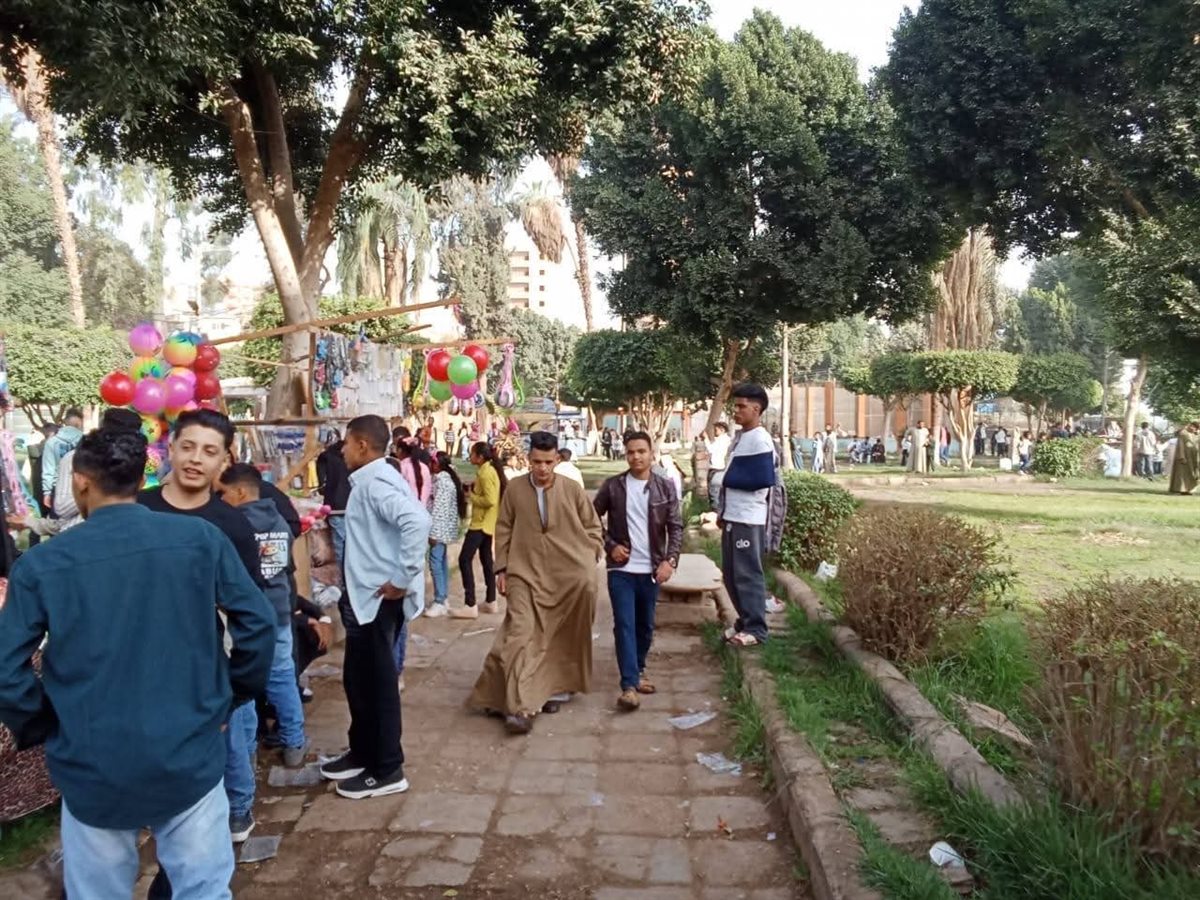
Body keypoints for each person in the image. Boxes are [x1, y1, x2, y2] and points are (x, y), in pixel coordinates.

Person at [0, 426, 275, 899]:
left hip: (92, 759)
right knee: (203, 890)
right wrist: (231, 696)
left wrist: (43, 724)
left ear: (80, 482)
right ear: (137, 478)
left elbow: (7, 668)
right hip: (188, 748)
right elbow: (258, 623)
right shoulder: (199, 539)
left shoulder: (43, 564)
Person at [138, 409, 269, 849]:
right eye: (188, 447)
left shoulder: (230, 525)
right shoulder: (137, 510)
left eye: (209, 451)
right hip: (134, 667)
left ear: (223, 461)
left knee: (199, 798)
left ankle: (228, 817)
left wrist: (233, 693)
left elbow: (252, 610)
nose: (196, 459)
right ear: (171, 448)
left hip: (198, 672)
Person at [320, 415, 430, 800]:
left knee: (378, 685)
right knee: (358, 680)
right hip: (367, 599)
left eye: (347, 443)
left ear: (362, 445)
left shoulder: (376, 483)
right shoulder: (370, 480)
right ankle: (362, 752)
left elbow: (417, 521)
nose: (343, 450)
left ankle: (387, 768)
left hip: (380, 600)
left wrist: (402, 578)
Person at [468, 432, 603, 734]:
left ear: (557, 460)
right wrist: (502, 569)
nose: (542, 468)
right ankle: (519, 706)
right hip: (523, 573)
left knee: (558, 632)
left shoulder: (571, 489)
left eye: (548, 462)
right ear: (528, 459)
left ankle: (550, 690)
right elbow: (504, 528)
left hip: (565, 576)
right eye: (537, 462)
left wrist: (588, 556)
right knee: (520, 632)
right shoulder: (515, 489)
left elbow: (593, 528)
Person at [219, 464, 308, 768]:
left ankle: (248, 753)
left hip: (248, 616)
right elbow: (284, 567)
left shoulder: (235, 526)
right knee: (282, 678)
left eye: (223, 493)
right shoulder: (280, 521)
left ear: (240, 492)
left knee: (243, 686)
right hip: (279, 610)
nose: (221, 500)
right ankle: (295, 742)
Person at [593, 432, 682, 711]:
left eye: (641, 451)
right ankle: (629, 686)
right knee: (624, 624)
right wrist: (610, 546)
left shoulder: (665, 487)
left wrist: (670, 561)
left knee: (645, 625)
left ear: (651, 453)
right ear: (625, 454)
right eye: (631, 452)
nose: (636, 457)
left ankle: (639, 669)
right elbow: (591, 518)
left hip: (651, 569)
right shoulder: (613, 486)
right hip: (621, 569)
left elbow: (675, 527)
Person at [10, 410, 142, 539]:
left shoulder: (76, 458)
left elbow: (62, 509)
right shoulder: (135, 462)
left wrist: (93, 491)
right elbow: (62, 516)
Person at [718, 384, 776, 648]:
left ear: (756, 409)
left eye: (742, 406)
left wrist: (726, 478)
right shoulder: (742, 438)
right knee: (731, 574)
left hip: (748, 519)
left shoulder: (760, 439)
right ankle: (744, 620)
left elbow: (762, 478)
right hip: (733, 516)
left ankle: (757, 629)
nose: (736, 411)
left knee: (747, 573)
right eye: (736, 406)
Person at [453, 442, 506, 620]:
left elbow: (490, 500)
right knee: (486, 560)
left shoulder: (486, 473)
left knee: (464, 559)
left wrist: (471, 496)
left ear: (480, 457)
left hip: (481, 524)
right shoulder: (488, 470)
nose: (470, 457)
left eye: (472, 454)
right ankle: (491, 600)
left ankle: (470, 604)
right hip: (487, 523)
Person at [426, 452, 466, 618]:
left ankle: (440, 600)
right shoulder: (446, 480)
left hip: (439, 529)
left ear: (437, 464)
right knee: (441, 561)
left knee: (435, 563)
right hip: (443, 528)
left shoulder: (442, 482)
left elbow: (439, 509)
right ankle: (443, 596)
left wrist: (433, 532)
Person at [316, 433, 350, 565]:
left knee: (340, 545)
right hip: (355, 506)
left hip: (335, 506)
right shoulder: (357, 457)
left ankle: (344, 576)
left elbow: (321, 486)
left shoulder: (325, 457)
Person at [41, 408, 83, 511]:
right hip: (80, 488)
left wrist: (47, 492)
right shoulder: (87, 442)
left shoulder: (51, 442)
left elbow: (48, 469)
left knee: (57, 518)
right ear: (79, 423)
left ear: (65, 422)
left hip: (58, 487)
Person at [1168, 421, 1200, 495]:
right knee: (1182, 474)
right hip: (1185, 456)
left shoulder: (1195, 435)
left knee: (1192, 474)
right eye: (1193, 427)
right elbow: (1180, 445)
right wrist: (1182, 456)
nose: (1194, 429)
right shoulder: (1183, 433)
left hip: (1193, 457)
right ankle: (1181, 489)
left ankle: (1189, 489)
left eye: (1196, 428)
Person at [707, 423, 731, 506]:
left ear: (722, 430)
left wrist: (705, 439)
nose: (715, 432)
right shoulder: (724, 440)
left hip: (717, 468)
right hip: (719, 468)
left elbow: (710, 449)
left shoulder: (722, 441)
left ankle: (715, 510)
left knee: (714, 493)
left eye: (716, 430)